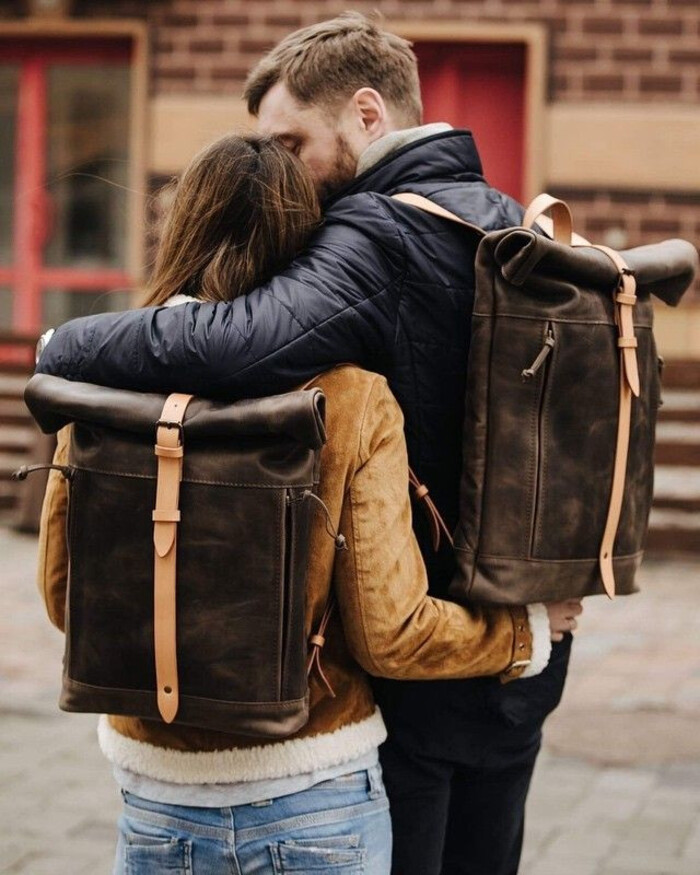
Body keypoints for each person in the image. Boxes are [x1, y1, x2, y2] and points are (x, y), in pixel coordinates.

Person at [36, 14, 580, 874]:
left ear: (368, 114)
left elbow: (236, 343)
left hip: (408, 665)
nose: (283, 168)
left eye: (292, 140)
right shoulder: (514, 226)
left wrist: (64, 353)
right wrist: (530, 630)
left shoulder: (375, 233)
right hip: (523, 649)